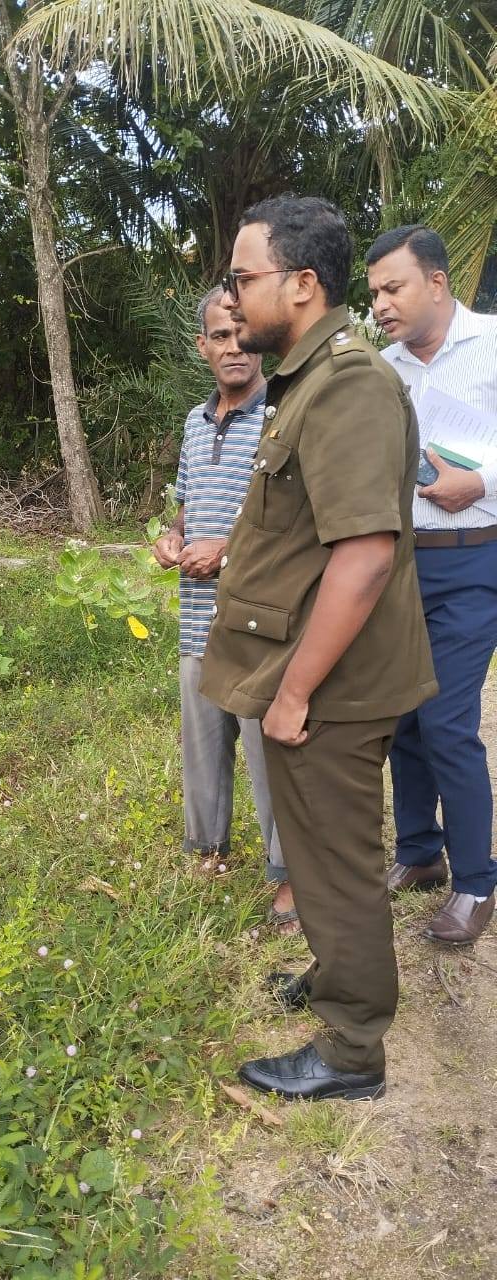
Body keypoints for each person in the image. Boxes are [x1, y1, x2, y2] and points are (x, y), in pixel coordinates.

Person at [200, 195, 437, 1102]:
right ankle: (337, 973)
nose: (230, 297)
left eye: (242, 277)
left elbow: (365, 554)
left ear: (302, 284)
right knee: (312, 842)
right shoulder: (307, 379)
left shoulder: (347, 384)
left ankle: (351, 1049)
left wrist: (295, 691)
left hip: (332, 684)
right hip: (309, 670)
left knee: (337, 862)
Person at [153, 287, 298, 932]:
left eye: (242, 334)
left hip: (259, 618)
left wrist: (228, 553)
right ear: (202, 346)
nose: (233, 347)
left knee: (268, 751)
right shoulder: (194, 421)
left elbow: (291, 520)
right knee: (203, 743)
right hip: (196, 615)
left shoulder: (282, 414)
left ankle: (288, 872)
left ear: (258, 339)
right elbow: (187, 506)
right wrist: (174, 538)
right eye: (219, 336)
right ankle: (206, 850)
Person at [367, 225, 497, 944]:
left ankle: (476, 881)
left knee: (447, 720)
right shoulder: (382, 369)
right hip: (398, 561)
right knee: (404, 716)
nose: (380, 304)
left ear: (438, 283)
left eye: (393, 288)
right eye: (374, 294)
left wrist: (482, 482)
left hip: (474, 558)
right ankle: (420, 852)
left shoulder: (493, 344)